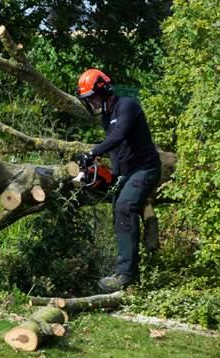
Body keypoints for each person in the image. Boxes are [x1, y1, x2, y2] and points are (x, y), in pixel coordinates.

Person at [76, 68, 161, 293]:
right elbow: (117, 151)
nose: (92, 104)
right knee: (118, 208)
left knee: (125, 206)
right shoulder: (106, 116)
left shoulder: (127, 106)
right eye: (88, 100)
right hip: (128, 172)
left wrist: (92, 152)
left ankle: (126, 275)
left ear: (104, 91)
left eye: (92, 98)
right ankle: (129, 274)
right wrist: (110, 176)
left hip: (146, 168)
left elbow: (119, 136)